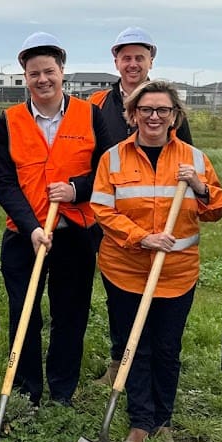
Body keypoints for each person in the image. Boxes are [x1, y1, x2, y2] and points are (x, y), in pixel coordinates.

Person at [90, 80, 222, 442]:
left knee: (167, 347)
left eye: (162, 110)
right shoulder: (113, 158)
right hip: (125, 271)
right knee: (135, 346)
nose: (154, 117)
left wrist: (199, 187)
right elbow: (102, 209)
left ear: (174, 117)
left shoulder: (194, 160)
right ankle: (140, 419)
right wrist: (141, 237)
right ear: (132, 116)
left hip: (176, 274)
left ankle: (162, 419)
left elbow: (215, 210)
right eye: (146, 110)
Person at [0, 33, 104, 406]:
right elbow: (4, 181)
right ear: (25, 76)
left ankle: (62, 391)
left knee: (69, 314)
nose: (43, 80)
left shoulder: (90, 115)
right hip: (25, 234)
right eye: (34, 73)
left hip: (75, 233)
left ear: (62, 73)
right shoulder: (7, 122)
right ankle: (26, 391)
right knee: (25, 314)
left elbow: (107, 172)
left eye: (49, 72)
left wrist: (77, 190)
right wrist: (32, 227)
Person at [88, 26, 192, 386]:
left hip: (158, 219)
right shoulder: (98, 103)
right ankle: (120, 360)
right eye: (125, 57)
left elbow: (186, 158)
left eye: (139, 57)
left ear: (151, 60)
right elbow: (90, 158)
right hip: (111, 213)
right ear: (115, 61)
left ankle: (149, 362)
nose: (132, 64)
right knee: (118, 292)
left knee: (158, 301)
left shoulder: (166, 104)